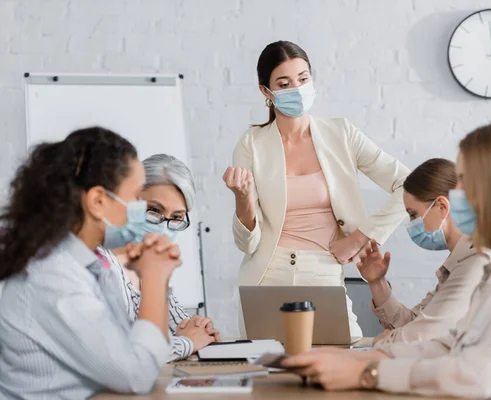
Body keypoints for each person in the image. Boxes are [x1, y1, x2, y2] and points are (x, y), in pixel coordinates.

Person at [283, 121, 491, 399]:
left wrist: (369, 373)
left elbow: (480, 375)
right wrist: (359, 360)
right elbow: (452, 344)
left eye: (462, 180)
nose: (455, 191)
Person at [223, 41, 410, 337]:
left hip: (324, 270)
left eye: (303, 79)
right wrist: (242, 198)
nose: (296, 89)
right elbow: (247, 243)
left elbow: (409, 186)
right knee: (269, 377)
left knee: (344, 362)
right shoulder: (252, 143)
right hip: (267, 275)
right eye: (284, 83)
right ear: (266, 92)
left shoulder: (342, 134)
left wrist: (360, 238)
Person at [0, 127, 182, 398]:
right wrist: (155, 277)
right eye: (135, 198)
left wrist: (154, 277)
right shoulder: (53, 278)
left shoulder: (91, 265)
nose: (139, 210)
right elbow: (137, 374)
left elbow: (133, 349)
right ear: (97, 201)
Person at [358, 158, 491, 348]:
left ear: (442, 207)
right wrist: (377, 282)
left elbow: (424, 335)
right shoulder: (459, 262)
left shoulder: (477, 262)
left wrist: (375, 341)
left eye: (413, 214)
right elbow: (413, 324)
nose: (412, 223)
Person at [97, 154, 220, 362]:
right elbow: (119, 354)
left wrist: (200, 330)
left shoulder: (151, 263)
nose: (163, 226)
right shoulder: (100, 263)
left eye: (177, 217)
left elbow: (180, 326)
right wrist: (187, 343)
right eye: (153, 210)